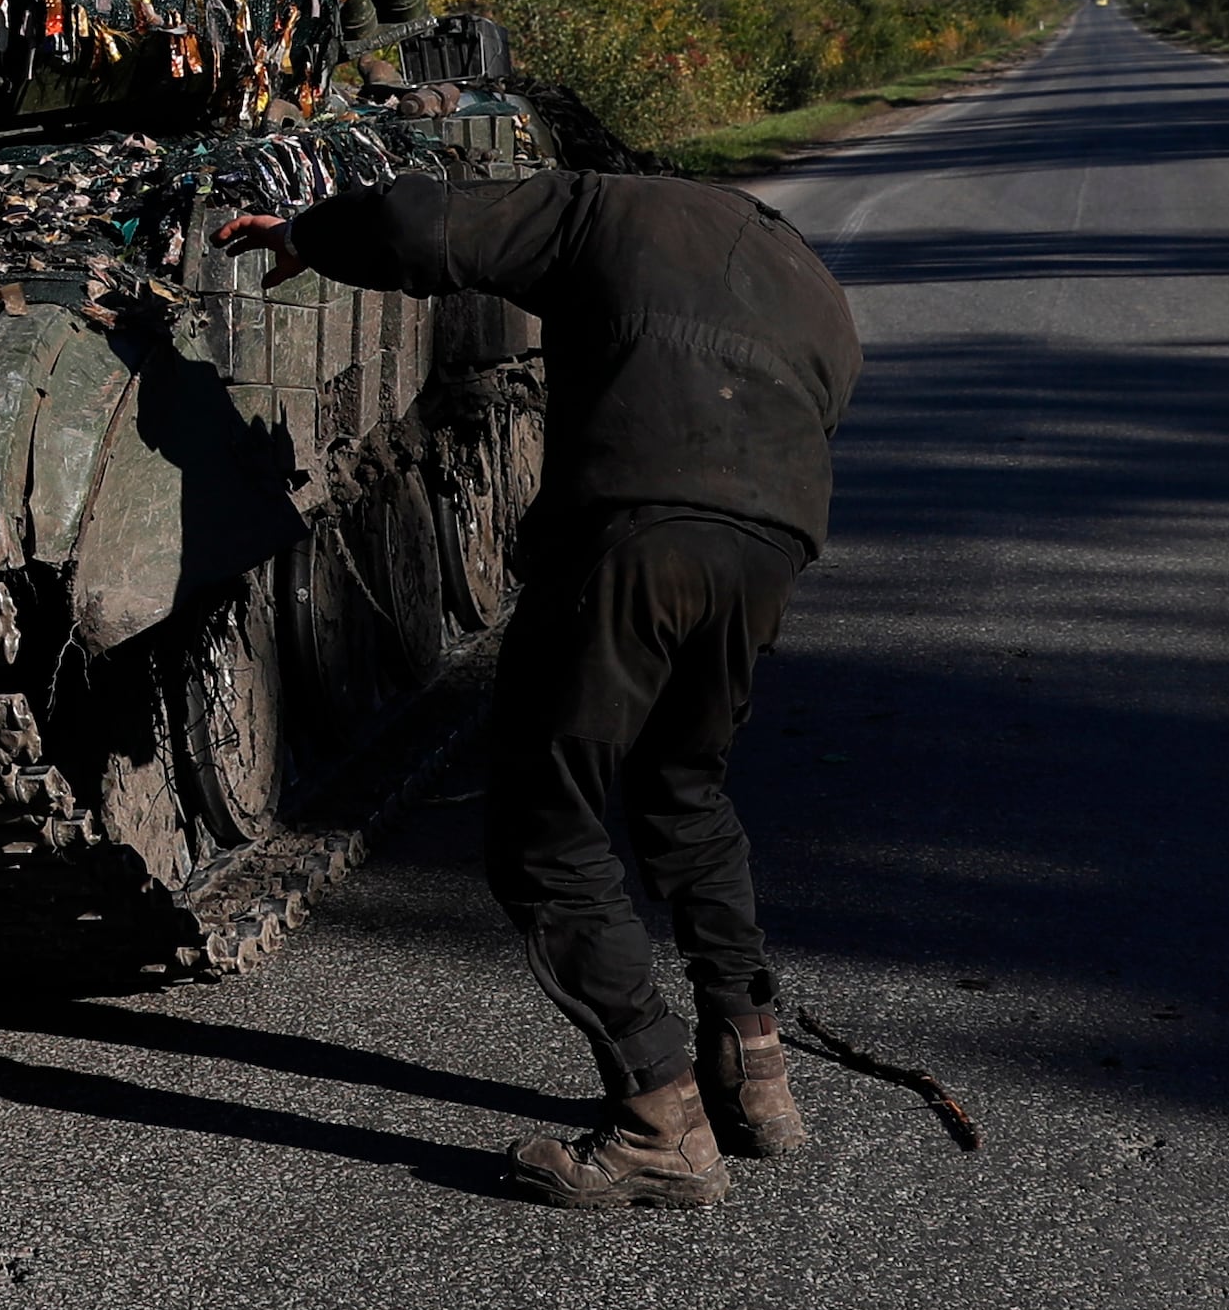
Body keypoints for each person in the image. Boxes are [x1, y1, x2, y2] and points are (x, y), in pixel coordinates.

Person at [218, 162, 859, 1211]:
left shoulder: (612, 205)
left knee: (542, 827)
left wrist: (311, 232)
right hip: (767, 550)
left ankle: (660, 1121)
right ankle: (755, 1072)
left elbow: (426, 226)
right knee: (683, 793)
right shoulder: (805, 274)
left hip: (633, 530)